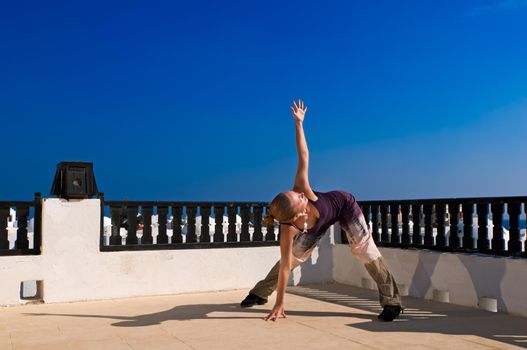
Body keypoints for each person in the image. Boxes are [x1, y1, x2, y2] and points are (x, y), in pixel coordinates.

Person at [240, 99, 403, 322]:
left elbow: (303, 155)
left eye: (295, 192)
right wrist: (280, 303)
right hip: (314, 227)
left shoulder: (302, 188)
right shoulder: (288, 229)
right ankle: (260, 293)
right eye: (297, 197)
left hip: (344, 206)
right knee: (293, 258)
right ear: (296, 215)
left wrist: (298, 124)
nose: (298, 192)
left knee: (364, 250)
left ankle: (392, 301)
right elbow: (286, 266)